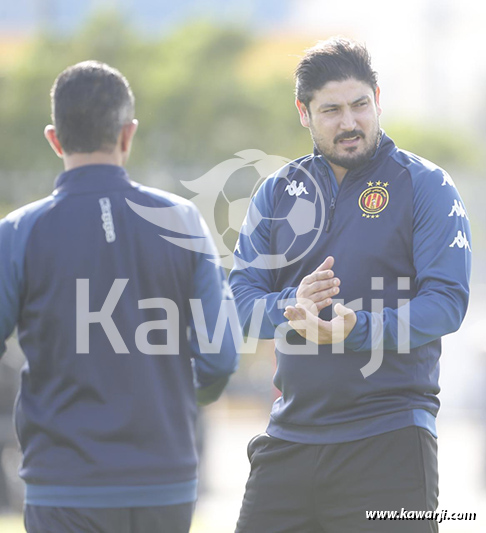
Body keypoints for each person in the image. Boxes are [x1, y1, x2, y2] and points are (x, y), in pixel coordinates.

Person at [229, 37, 471, 532]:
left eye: (360, 105)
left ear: (378, 99)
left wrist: (358, 329)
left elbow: (447, 302)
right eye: (331, 110)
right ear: (304, 112)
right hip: (290, 439)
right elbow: (238, 302)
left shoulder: (425, 184)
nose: (350, 122)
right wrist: (291, 307)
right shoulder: (277, 191)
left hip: (390, 440)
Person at [0, 61, 240, 533]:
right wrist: (171, 393)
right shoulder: (183, 221)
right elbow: (220, 358)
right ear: (128, 134)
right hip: (166, 485)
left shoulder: (18, 232)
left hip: (63, 486)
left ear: (55, 139)